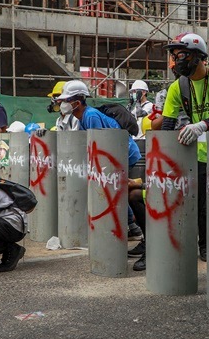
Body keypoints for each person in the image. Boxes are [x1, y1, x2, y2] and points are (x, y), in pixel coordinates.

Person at [160, 32, 209, 263]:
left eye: (181, 54)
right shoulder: (177, 87)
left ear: (198, 56)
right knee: (201, 204)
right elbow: (168, 124)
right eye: (174, 56)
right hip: (200, 155)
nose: (177, 61)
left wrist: (200, 126)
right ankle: (204, 245)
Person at [59, 80, 145, 249]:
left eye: (67, 100)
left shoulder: (90, 116)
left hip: (123, 154)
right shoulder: (83, 117)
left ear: (77, 101)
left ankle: (133, 227)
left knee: (114, 190)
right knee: (115, 189)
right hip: (116, 155)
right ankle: (131, 227)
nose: (64, 104)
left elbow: (100, 144)